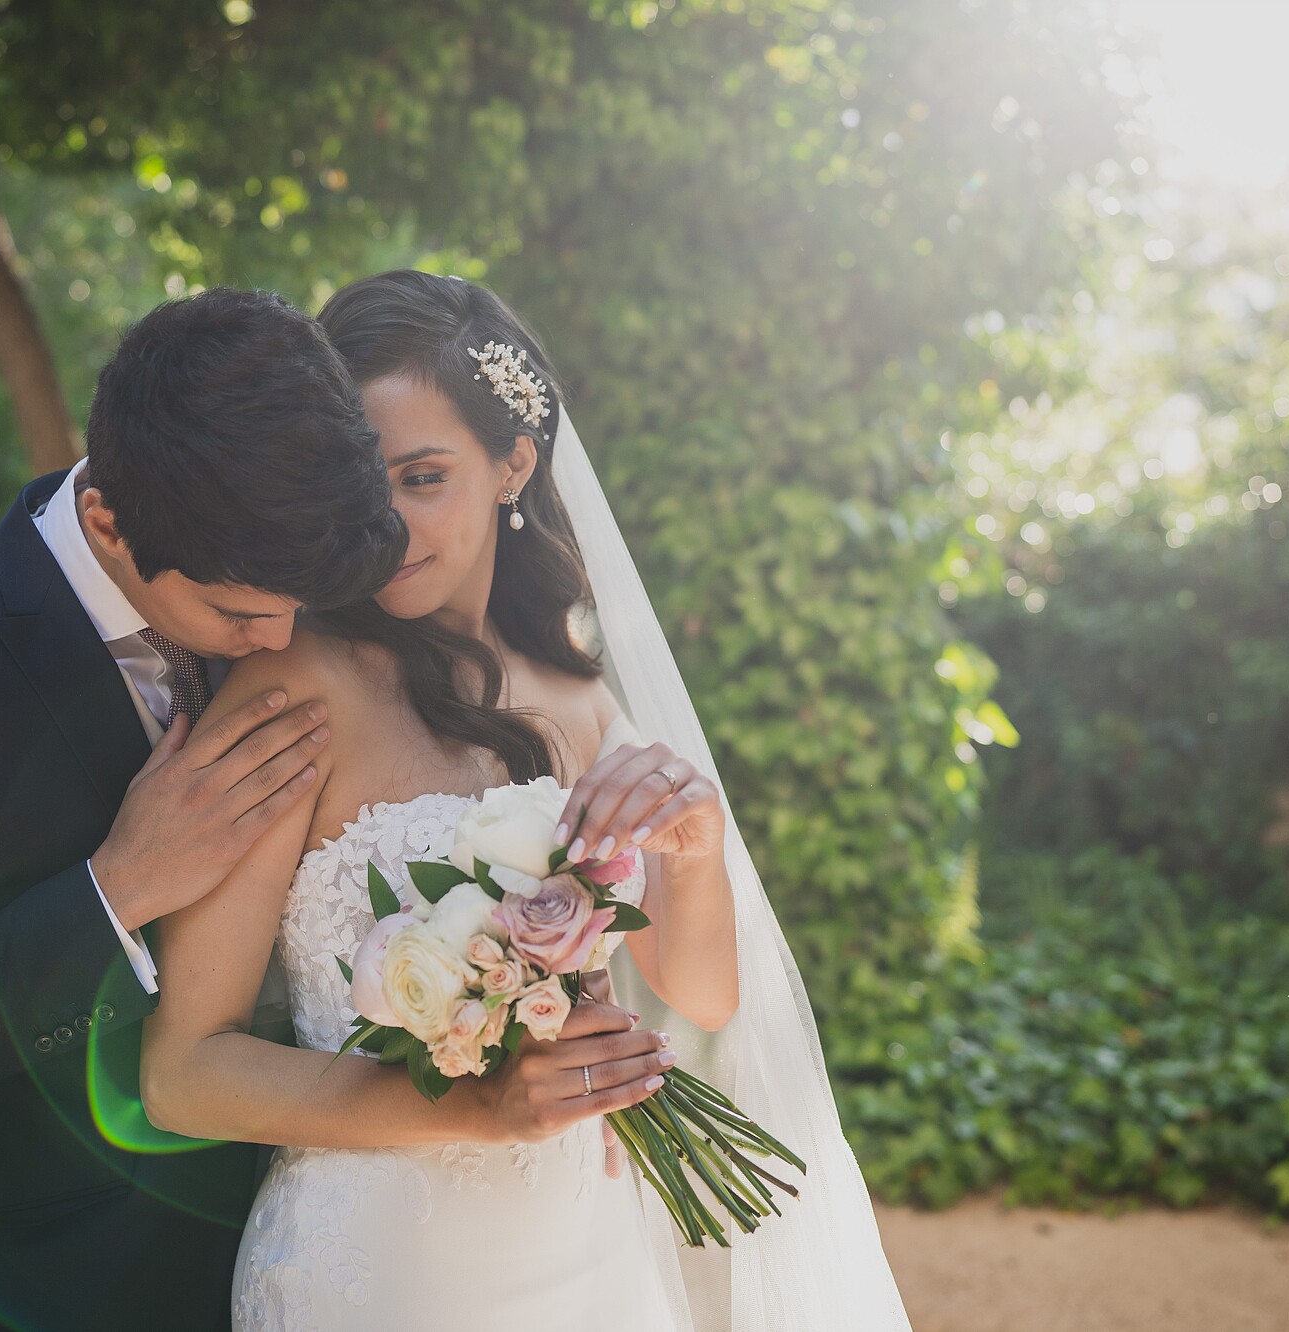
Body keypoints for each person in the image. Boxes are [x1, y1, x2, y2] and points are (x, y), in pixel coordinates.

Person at [0, 288, 668, 1332]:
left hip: (353, 1248)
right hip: (62, 1290)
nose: (279, 640)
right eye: (237, 613)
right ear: (106, 521)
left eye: (299, 603)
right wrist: (112, 892)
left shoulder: (269, 514)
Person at [139, 271, 912, 1330]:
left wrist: (690, 854)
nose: (386, 522)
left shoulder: (582, 701)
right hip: (376, 1268)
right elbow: (184, 1073)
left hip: (584, 1257)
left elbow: (700, 997)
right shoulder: (291, 692)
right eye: (360, 482)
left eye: (422, 477)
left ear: (513, 463)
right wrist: (476, 1106)